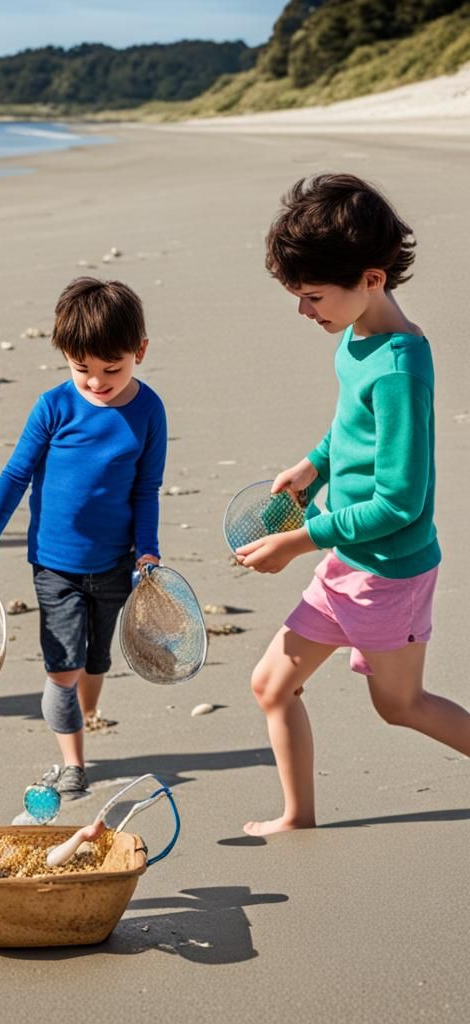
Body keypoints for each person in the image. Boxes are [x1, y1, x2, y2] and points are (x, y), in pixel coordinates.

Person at [237, 173, 470, 835]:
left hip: (389, 572)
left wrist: (298, 540)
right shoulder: (356, 337)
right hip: (348, 560)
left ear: (371, 279)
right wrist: (315, 465)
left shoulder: (400, 368)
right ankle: (298, 816)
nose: (303, 310)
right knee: (271, 685)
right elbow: (351, 430)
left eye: (313, 297)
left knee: (401, 705)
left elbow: (400, 502)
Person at [0, 277, 167, 796]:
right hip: (54, 565)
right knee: (64, 665)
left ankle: (84, 711)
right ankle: (73, 765)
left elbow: (146, 489)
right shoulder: (53, 407)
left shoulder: (149, 412)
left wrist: (148, 550)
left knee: (96, 660)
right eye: (82, 369)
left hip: (116, 562)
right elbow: (15, 474)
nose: (97, 382)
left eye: (112, 369)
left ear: (140, 351)